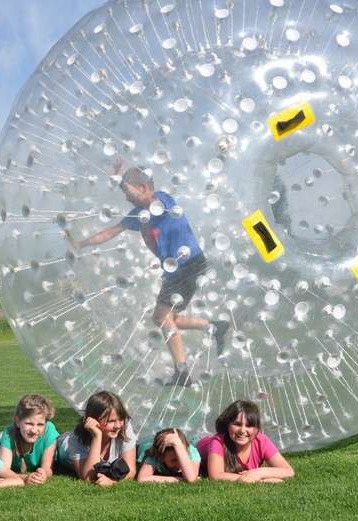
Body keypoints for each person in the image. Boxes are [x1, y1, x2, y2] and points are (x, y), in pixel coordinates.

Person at [66, 157, 229, 387]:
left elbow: (146, 200)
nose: (126, 197)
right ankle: (215, 326)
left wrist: (120, 180)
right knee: (167, 318)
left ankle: (182, 372)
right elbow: (110, 232)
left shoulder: (163, 200)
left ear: (142, 187)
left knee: (162, 318)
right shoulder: (138, 215)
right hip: (178, 270)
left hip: (188, 263)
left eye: (129, 191)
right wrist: (81, 244)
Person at [197, 400, 294, 483]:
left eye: (249, 425)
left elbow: (288, 471)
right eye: (237, 424)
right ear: (227, 425)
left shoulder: (261, 441)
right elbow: (215, 475)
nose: (242, 430)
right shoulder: (218, 442)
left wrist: (259, 472)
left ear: (257, 429)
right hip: (197, 443)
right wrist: (257, 480)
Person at [56, 391, 136, 486]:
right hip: (64, 447)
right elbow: (87, 478)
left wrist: (111, 481)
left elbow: (131, 470)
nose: (118, 425)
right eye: (111, 421)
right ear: (93, 419)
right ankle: (62, 435)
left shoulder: (124, 427)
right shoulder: (76, 437)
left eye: (121, 419)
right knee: (61, 439)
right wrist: (96, 436)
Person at [0, 394, 59, 485]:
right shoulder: (8, 434)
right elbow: (2, 471)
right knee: (2, 437)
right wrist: (24, 478)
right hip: (8, 436)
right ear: (18, 421)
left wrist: (43, 473)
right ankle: (0, 440)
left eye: (40, 424)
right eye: (29, 424)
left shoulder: (49, 430)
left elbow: (47, 468)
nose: (34, 430)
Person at [136, 428, 200, 483]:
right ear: (161, 458)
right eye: (174, 460)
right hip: (145, 444)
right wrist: (179, 479)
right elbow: (142, 479)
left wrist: (177, 442)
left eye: (181, 458)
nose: (179, 464)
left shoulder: (191, 452)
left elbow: (191, 478)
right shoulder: (153, 455)